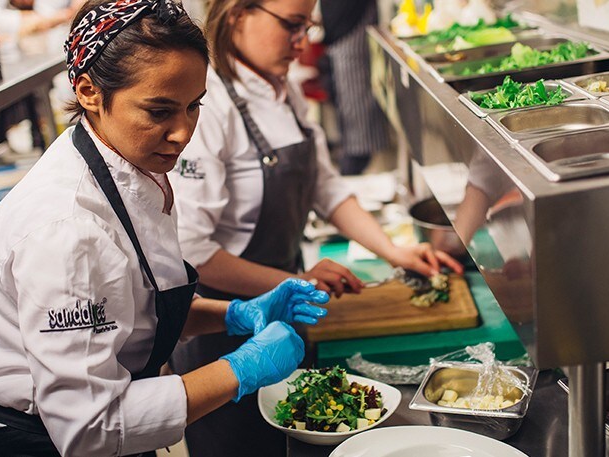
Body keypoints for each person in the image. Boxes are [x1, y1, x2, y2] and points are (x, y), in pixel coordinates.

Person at [0, 1, 328, 455]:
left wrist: (232, 313)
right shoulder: (67, 232)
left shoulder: (124, 165)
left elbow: (129, 308)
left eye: (194, 107)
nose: (182, 133)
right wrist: (240, 370)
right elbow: (90, 427)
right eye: (159, 111)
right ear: (89, 92)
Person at [168, 0, 464, 455]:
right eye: (291, 26)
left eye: (309, 26)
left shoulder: (285, 91)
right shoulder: (210, 107)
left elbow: (326, 185)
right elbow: (196, 251)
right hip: (223, 331)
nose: (303, 42)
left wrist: (394, 252)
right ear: (238, 14)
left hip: (289, 309)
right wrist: (296, 282)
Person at [319, 0, 390, 175]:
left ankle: (352, 169)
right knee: (349, 114)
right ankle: (350, 169)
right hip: (339, 34)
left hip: (350, 30)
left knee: (358, 123)